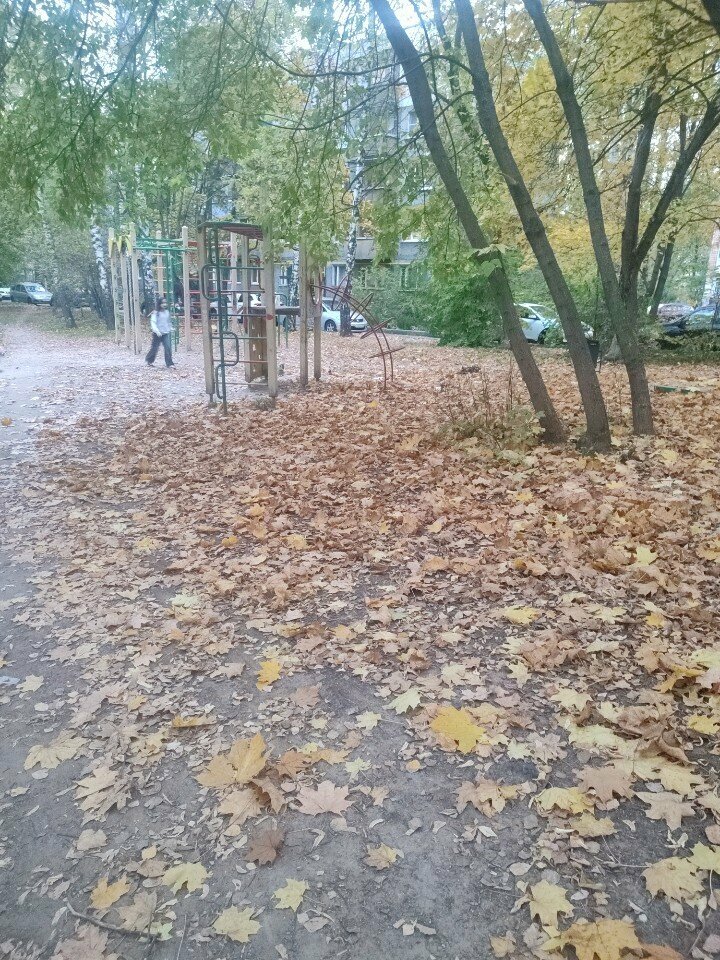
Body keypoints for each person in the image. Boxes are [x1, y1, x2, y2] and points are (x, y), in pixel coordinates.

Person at [145, 298, 175, 368]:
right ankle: (149, 360)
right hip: (157, 334)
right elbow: (153, 322)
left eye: (165, 303)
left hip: (165, 333)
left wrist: (171, 328)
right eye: (163, 303)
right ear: (159, 304)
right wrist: (156, 331)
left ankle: (169, 363)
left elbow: (168, 322)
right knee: (155, 348)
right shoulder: (156, 313)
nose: (164, 304)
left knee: (168, 347)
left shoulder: (167, 312)